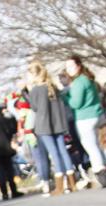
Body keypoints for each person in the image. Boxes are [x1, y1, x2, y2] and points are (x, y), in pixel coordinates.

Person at [26, 61, 76, 195]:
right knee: (62, 151)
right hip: (58, 123)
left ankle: (60, 185)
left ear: (33, 74)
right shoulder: (52, 86)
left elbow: (34, 108)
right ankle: (71, 183)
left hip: (44, 125)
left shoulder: (35, 90)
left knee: (54, 153)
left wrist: (28, 92)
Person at [63, 55, 106, 177]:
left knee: (91, 146)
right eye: (67, 67)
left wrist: (65, 97)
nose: (69, 69)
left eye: (71, 66)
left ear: (79, 66)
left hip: (85, 118)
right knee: (101, 144)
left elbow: (76, 103)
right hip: (98, 114)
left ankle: (100, 170)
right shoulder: (88, 79)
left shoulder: (78, 82)